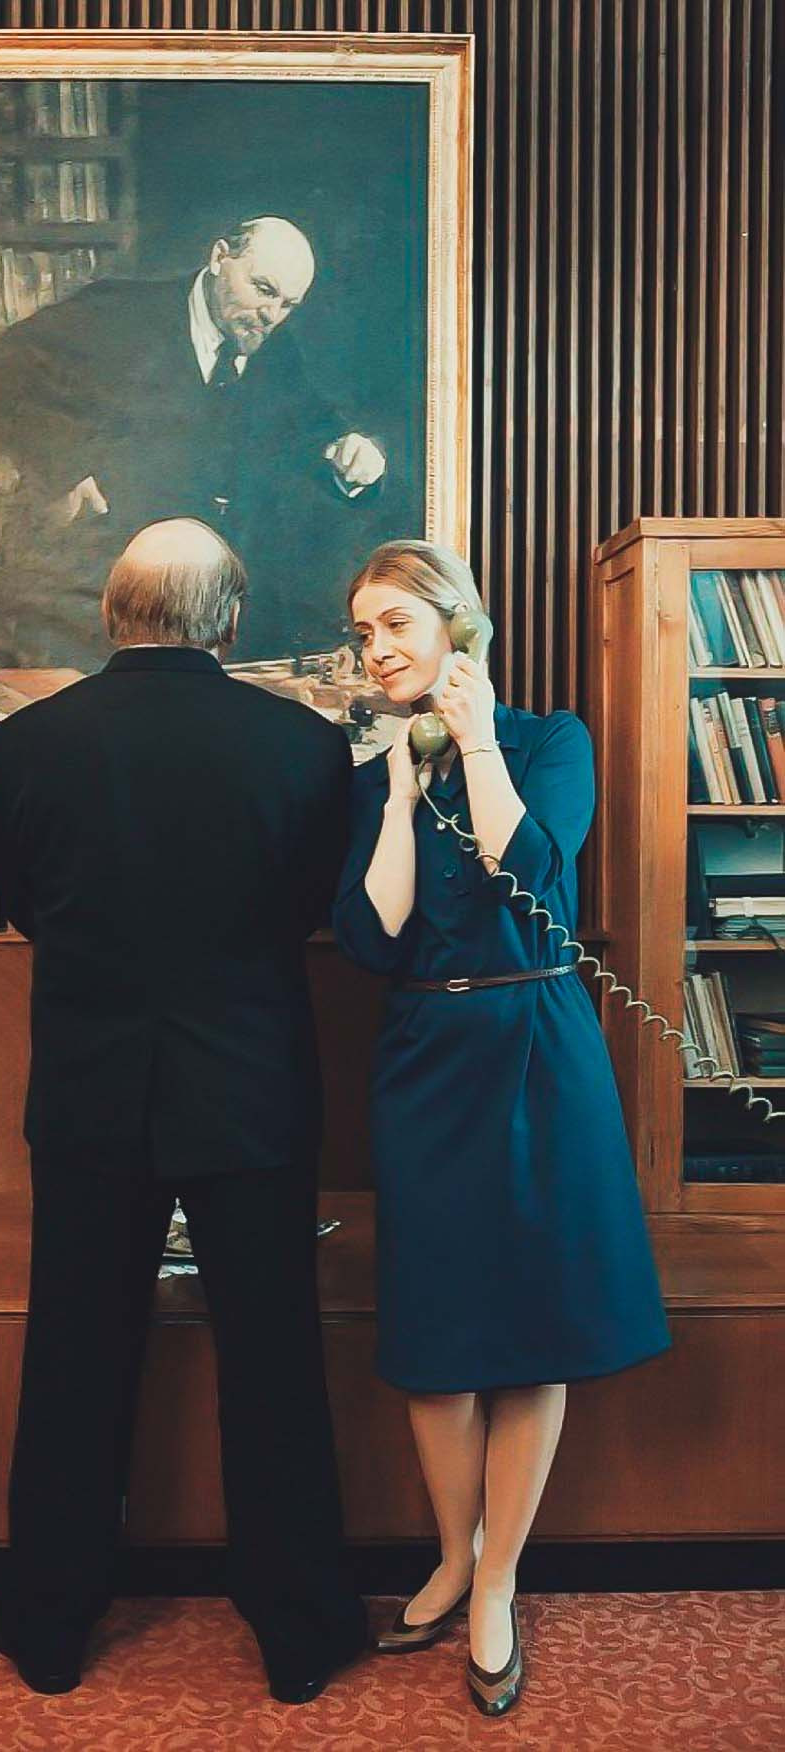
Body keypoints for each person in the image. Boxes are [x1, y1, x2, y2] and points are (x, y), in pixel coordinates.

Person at [0, 517, 368, 1703]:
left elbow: (24, 907)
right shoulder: (306, 746)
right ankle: (299, 1632)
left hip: (90, 1089)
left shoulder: (25, 743)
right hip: (251, 1088)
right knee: (274, 1361)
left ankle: (49, 1624)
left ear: (114, 612)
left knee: (74, 1356)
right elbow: (310, 908)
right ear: (229, 620)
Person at [332, 540, 671, 1718]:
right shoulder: (377, 766)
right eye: (363, 631)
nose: (376, 648)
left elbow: (529, 866)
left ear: (458, 628)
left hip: (535, 1047)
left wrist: (476, 745)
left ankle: (496, 1583)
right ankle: (450, 1553)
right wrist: (394, 793)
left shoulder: (550, 742)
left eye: (395, 623)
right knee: (435, 1333)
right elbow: (370, 939)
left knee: (530, 1331)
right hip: (426, 1055)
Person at [0, 216, 387, 674]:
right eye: (263, 289)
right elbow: (1, 362)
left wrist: (353, 451)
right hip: (94, 592)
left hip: (204, 607)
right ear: (219, 257)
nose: (272, 315)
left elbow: (313, 425)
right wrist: (64, 470)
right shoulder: (117, 311)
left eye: (288, 304)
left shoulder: (273, 345)